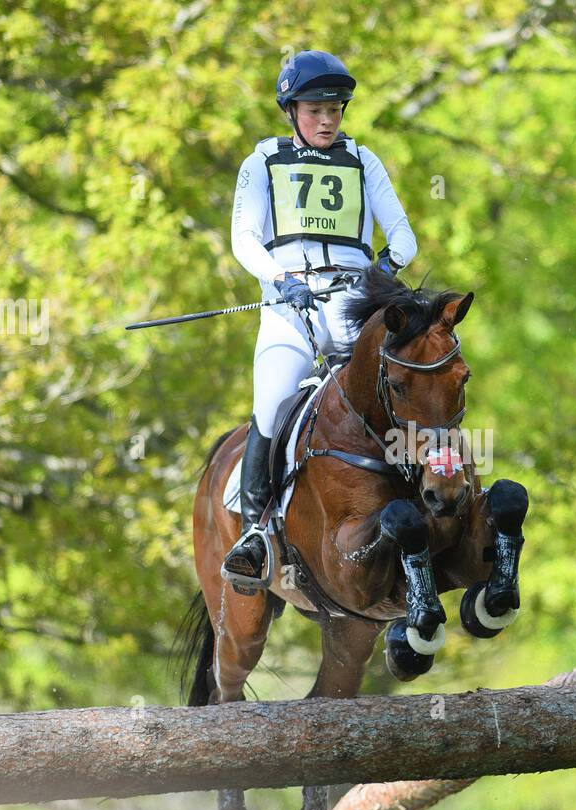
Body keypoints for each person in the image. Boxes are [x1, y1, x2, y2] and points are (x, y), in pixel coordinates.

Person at [224, 50, 418, 583]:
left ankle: (430, 495)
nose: (328, 119)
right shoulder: (263, 160)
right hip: (288, 305)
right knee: (272, 400)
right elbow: (243, 236)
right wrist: (279, 279)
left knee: (405, 383)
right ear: (292, 110)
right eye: (315, 109)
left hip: (354, 303)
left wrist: (381, 270)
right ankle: (255, 532)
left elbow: (403, 236)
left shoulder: (364, 160)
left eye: (335, 108)